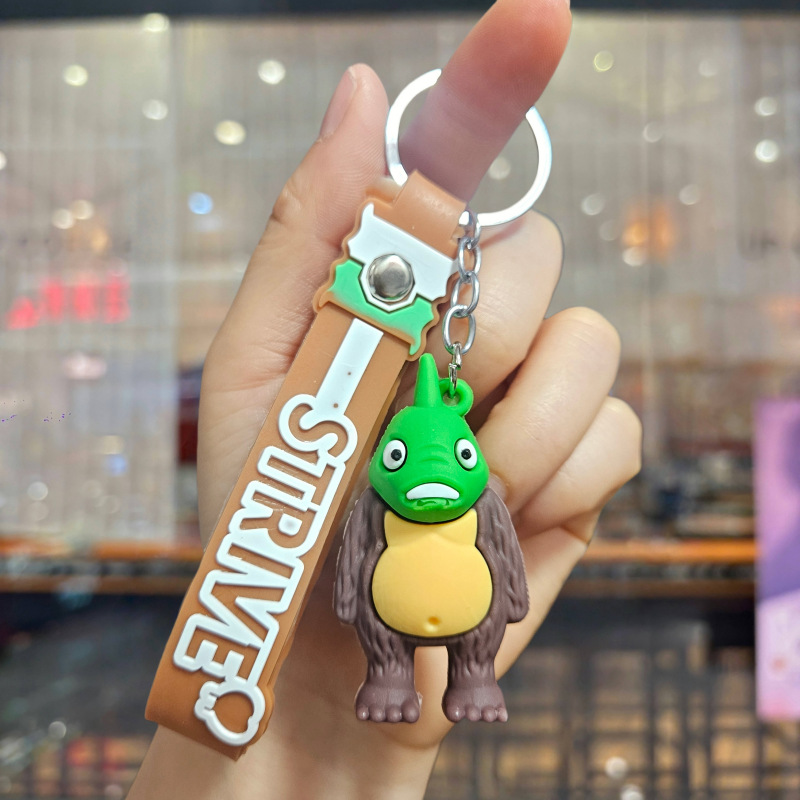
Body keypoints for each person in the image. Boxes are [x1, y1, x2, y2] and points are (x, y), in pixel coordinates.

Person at [128, 0, 641, 796]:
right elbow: (357, 565)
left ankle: (464, 674)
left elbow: (502, 561)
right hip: (294, 648)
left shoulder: (468, 499)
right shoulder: (363, 498)